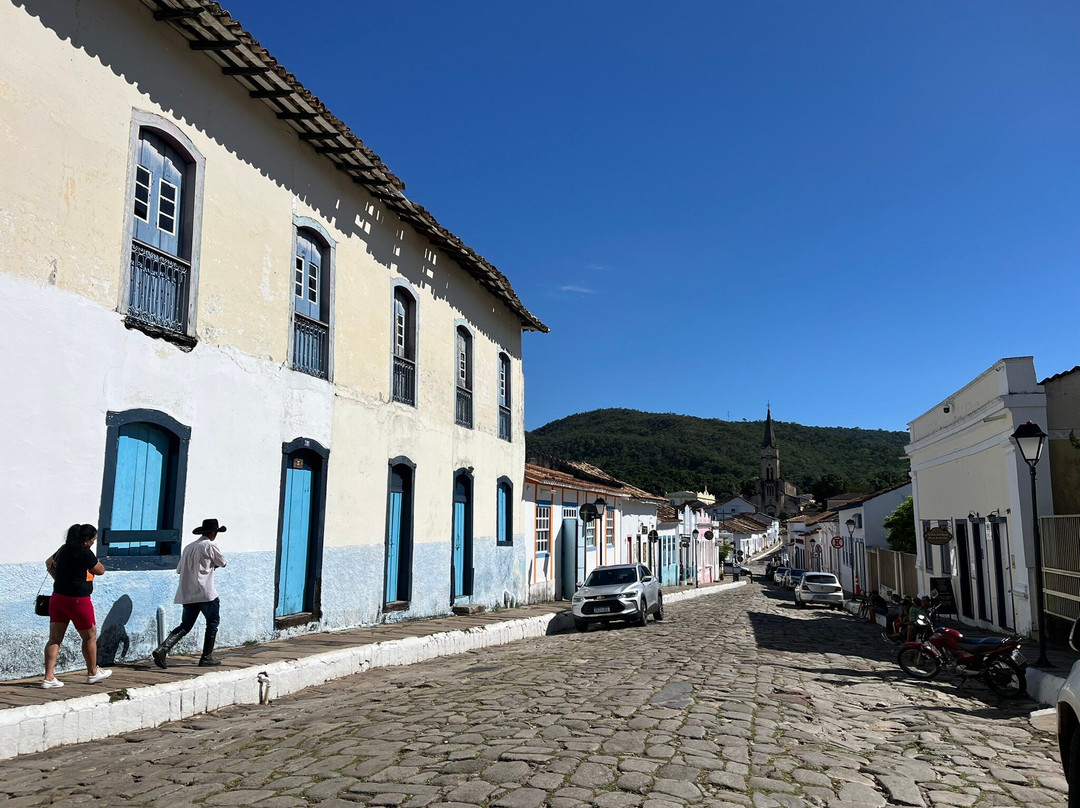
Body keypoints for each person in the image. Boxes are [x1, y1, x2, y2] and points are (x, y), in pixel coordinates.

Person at [152, 518, 228, 669]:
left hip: (188, 593)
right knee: (212, 622)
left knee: (185, 625)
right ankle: (206, 656)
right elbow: (222, 562)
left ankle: (163, 648)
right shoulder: (210, 545)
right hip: (206, 593)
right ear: (213, 532)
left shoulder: (188, 548)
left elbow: (179, 570)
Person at [43, 524, 112, 688]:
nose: (94, 543)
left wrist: (59, 579)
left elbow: (49, 562)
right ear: (86, 540)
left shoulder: (63, 549)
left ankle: (49, 677)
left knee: (54, 639)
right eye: (93, 540)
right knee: (89, 636)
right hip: (78, 601)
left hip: (58, 598)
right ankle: (93, 672)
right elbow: (100, 570)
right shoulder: (85, 552)